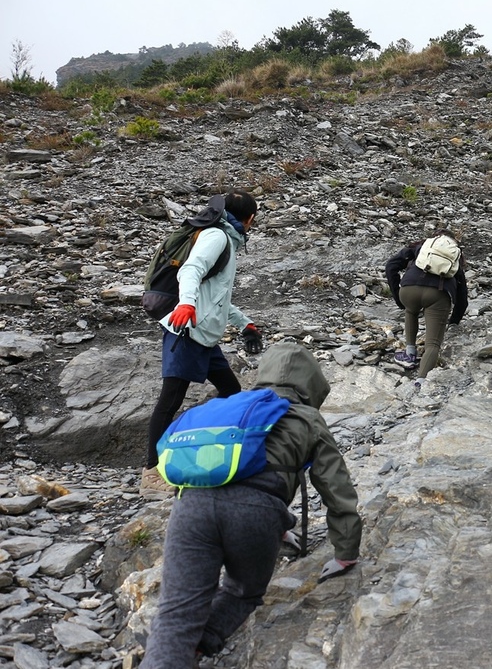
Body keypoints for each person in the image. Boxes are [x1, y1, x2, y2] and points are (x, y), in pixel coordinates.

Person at [140, 343, 363, 668]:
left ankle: (168, 654)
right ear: (313, 384)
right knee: (241, 591)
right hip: (255, 514)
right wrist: (346, 552)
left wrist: (281, 527)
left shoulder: (232, 406)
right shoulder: (308, 418)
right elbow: (336, 489)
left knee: (176, 612)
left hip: (191, 508)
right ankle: (202, 645)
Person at [143, 190, 263, 495]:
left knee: (232, 392)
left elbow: (217, 295)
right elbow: (190, 270)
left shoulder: (226, 239)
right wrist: (186, 305)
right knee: (169, 401)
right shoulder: (218, 237)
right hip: (187, 330)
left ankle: (209, 450)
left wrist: (244, 323)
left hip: (204, 335)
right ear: (248, 218)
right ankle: (151, 473)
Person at [384, 229, 469, 386]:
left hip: (408, 289)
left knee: (411, 310)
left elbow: (391, 266)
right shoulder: (455, 256)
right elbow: (462, 295)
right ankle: (420, 384)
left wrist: (398, 296)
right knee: (433, 344)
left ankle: (409, 354)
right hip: (438, 295)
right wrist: (454, 321)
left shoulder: (422, 247)